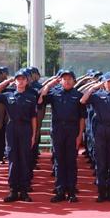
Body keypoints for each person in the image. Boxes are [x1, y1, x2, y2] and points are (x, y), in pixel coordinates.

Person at [0, 70, 38, 202]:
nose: (20, 81)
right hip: (12, 128)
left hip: (26, 128)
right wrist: (5, 83)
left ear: (27, 81)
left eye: (23, 79)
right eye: (18, 79)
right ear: (15, 81)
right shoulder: (8, 95)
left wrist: (34, 134)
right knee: (12, 159)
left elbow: (34, 117)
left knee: (24, 159)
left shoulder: (31, 97)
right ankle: (13, 190)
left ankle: (24, 190)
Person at [38, 69, 86, 203]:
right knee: (59, 161)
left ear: (74, 81)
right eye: (64, 79)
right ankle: (60, 190)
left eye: (70, 78)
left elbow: (82, 117)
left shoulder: (78, 95)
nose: (67, 81)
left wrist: (80, 134)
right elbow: (41, 99)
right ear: (60, 81)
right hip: (58, 130)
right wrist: (49, 84)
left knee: (71, 161)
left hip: (72, 130)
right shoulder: (54, 94)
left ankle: (71, 191)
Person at [80, 71, 110, 202]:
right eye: (108, 81)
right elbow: (82, 100)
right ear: (104, 83)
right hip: (100, 129)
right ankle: (101, 192)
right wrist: (94, 87)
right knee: (100, 162)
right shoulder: (96, 96)